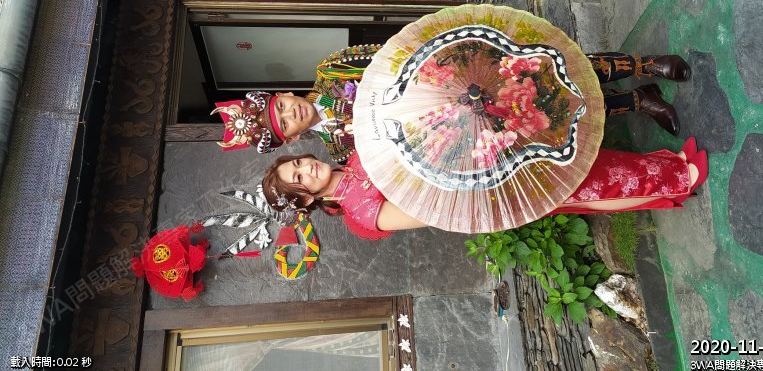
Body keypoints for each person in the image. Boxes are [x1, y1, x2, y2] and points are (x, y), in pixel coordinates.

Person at [213, 47, 691, 160]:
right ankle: (638, 101)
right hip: (459, 125)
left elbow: (395, 52)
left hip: (458, 76)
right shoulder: (341, 150)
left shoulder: (332, 69)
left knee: (546, 72)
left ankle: (644, 65)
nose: (289, 113)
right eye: (282, 124)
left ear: (283, 95)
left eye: (281, 106)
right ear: (290, 139)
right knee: (544, 116)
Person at [260, 138, 708, 240]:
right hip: (480, 192)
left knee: (579, 164)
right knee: (579, 190)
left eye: (297, 162)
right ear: (306, 200)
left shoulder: (360, 153)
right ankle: (675, 183)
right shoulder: (361, 213)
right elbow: (426, 211)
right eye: (299, 179)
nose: (307, 168)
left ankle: (662, 166)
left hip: (478, 154)